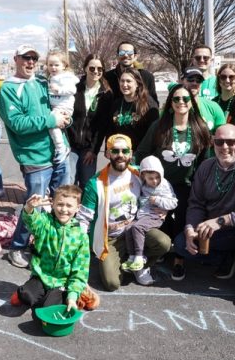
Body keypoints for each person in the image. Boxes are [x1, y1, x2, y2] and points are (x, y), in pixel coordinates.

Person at [173, 124, 235, 307]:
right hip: (217, 231)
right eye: (219, 142)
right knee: (181, 245)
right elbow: (196, 203)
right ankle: (228, 256)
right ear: (213, 143)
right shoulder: (206, 166)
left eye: (230, 142)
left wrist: (222, 220)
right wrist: (190, 229)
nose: (225, 147)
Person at [0, 44, 69, 268]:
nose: (30, 62)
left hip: (59, 151)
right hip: (34, 157)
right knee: (35, 205)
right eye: (25, 58)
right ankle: (17, 247)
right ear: (16, 59)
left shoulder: (42, 82)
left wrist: (65, 117)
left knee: (62, 203)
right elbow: (17, 124)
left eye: (34, 58)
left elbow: (58, 107)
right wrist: (51, 121)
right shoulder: (8, 89)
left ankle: (49, 244)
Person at [135, 84, 212, 279]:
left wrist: (199, 185)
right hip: (160, 185)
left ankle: (179, 257)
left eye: (185, 99)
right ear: (170, 103)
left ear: (191, 103)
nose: (181, 102)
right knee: (159, 216)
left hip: (187, 184)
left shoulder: (200, 127)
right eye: (176, 99)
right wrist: (148, 176)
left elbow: (206, 161)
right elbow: (142, 152)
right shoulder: (159, 126)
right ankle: (160, 250)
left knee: (183, 219)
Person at [78, 134, 172, 289]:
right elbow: (84, 218)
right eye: (115, 151)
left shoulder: (139, 173)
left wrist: (163, 209)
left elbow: (161, 189)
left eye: (125, 150)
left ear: (131, 153)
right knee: (112, 283)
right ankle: (126, 261)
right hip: (110, 238)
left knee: (163, 243)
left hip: (135, 230)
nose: (120, 155)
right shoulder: (95, 183)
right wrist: (79, 247)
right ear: (107, 154)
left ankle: (139, 265)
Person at [9, 186, 95, 316]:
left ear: (78, 208)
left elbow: (80, 270)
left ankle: (79, 292)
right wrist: (29, 207)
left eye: (69, 206)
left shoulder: (81, 236)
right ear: (53, 204)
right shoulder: (45, 223)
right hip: (41, 277)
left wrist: (71, 296)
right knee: (26, 295)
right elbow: (30, 220)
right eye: (60, 204)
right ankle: (25, 293)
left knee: (47, 310)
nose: (64, 209)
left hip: (63, 282)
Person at [121, 156, 178, 272]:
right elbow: (133, 168)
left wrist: (158, 201)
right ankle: (132, 256)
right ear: (143, 176)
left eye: (157, 177)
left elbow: (173, 202)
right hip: (142, 214)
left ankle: (139, 256)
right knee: (128, 228)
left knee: (137, 227)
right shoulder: (142, 183)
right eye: (151, 178)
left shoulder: (164, 185)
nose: (155, 181)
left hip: (154, 215)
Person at [91, 66, 159, 159]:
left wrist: (138, 155)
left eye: (128, 81)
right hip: (119, 155)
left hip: (141, 156)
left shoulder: (148, 104)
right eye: (122, 81)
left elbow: (153, 135)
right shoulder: (116, 104)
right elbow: (111, 129)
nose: (124, 84)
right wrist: (109, 147)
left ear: (137, 84)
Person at [67, 54, 108, 188]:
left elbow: (102, 127)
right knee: (69, 181)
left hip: (89, 148)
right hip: (71, 145)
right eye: (92, 68)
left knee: (86, 182)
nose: (96, 71)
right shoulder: (74, 89)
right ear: (85, 68)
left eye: (99, 68)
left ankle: (84, 209)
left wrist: (94, 150)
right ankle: (68, 208)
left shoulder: (106, 94)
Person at [45, 50, 79, 165]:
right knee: (53, 126)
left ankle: (61, 148)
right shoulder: (51, 77)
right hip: (56, 107)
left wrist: (58, 90)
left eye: (56, 65)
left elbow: (72, 90)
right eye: (50, 65)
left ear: (64, 65)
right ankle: (59, 147)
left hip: (64, 107)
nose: (53, 68)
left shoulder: (65, 77)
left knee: (52, 124)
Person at [180, 67, 226, 131]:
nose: (194, 83)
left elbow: (222, 134)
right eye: (190, 79)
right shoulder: (174, 106)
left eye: (198, 80)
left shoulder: (213, 107)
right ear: (181, 81)